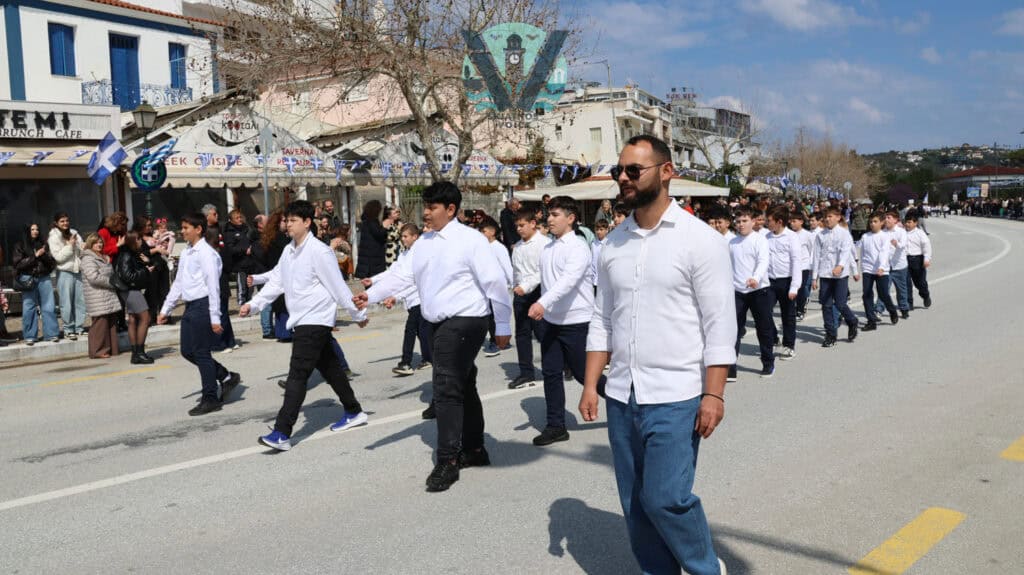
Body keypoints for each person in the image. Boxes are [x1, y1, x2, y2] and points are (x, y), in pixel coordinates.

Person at [580, 135, 735, 575]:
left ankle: (706, 568)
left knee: (666, 498)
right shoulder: (612, 243)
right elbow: (602, 319)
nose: (624, 178)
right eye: (620, 170)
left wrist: (714, 394)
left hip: (677, 394)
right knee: (635, 504)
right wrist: (591, 384)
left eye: (634, 170)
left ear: (666, 172)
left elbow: (720, 324)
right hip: (622, 394)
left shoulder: (700, 240)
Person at [357, 181, 512, 493]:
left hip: (467, 320)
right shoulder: (423, 243)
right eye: (425, 207)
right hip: (439, 323)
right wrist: (370, 296)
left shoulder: (471, 240)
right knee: (463, 383)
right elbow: (401, 275)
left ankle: (448, 460)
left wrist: (502, 325)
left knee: (445, 387)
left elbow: (494, 282)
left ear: (451, 209)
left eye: (432, 207)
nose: (425, 213)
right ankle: (475, 448)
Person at [241, 200, 369, 452]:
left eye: (293, 221)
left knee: (297, 375)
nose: (287, 225)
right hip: (301, 320)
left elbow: (338, 287)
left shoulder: (319, 252)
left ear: (307, 222)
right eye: (286, 220)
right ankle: (354, 411)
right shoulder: (289, 251)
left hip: (315, 320)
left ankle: (282, 432)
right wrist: (253, 305)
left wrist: (357, 314)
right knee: (331, 368)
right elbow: (276, 282)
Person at [528, 195, 605, 446]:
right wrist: (527, 291)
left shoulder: (579, 247)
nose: (549, 219)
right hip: (551, 322)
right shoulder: (548, 248)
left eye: (555, 215)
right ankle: (556, 426)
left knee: (585, 375)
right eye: (548, 215)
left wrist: (542, 303)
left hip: (577, 322)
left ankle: (628, 403)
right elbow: (544, 280)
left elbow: (568, 281)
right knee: (551, 373)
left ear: (571, 218)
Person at [158, 213, 240, 416]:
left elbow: (213, 287)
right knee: (187, 351)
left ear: (198, 229)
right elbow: (178, 282)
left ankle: (210, 398)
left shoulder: (207, 254)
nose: (182, 231)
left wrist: (215, 317)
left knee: (201, 352)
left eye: (186, 227)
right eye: (182, 227)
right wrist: (166, 308)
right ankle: (226, 376)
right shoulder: (187, 252)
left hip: (203, 306)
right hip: (190, 306)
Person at [365, 223, 433, 377]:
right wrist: (373, 280)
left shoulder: (419, 255)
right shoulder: (403, 254)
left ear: (415, 237)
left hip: (419, 298)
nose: (403, 239)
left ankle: (406, 363)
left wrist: (396, 296)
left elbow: (416, 282)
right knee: (421, 331)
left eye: (406, 236)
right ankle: (429, 358)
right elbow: (392, 272)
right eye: (402, 236)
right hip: (410, 299)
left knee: (410, 330)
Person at [729, 207, 775, 379]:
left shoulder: (760, 240)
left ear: (753, 221)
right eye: (738, 221)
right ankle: (731, 367)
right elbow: (728, 266)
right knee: (733, 330)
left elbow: (763, 261)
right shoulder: (732, 242)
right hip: (738, 292)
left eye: (744, 221)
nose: (741, 224)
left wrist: (755, 278)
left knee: (763, 328)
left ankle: (768, 363)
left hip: (759, 290)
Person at [508, 207, 549, 389]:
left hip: (538, 292)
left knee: (543, 332)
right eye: (517, 226)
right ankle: (526, 372)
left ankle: (558, 365)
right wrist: (516, 286)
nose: (519, 229)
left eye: (522, 225)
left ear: (533, 224)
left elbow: (543, 271)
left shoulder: (545, 244)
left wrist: (525, 287)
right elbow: (516, 271)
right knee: (522, 334)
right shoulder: (517, 247)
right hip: (520, 294)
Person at [812, 207, 859, 347]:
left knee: (840, 303)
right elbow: (816, 257)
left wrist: (841, 265)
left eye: (830, 216)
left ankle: (852, 321)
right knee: (825, 305)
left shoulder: (844, 234)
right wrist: (814, 277)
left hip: (840, 275)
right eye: (826, 217)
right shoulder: (820, 235)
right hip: (825, 274)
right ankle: (831, 334)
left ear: (838, 217)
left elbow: (846, 252)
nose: (827, 219)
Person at [13, 223, 59, 345]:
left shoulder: (44, 244)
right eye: (32, 229)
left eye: (37, 229)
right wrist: (35, 256)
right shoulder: (20, 245)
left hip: (44, 277)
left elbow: (52, 263)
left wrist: (43, 256)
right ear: (27, 231)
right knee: (29, 307)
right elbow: (18, 264)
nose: (35, 231)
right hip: (28, 278)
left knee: (49, 306)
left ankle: (51, 334)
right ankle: (30, 336)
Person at [765, 207, 801, 362]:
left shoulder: (791, 237)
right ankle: (774, 339)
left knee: (788, 316)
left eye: (769, 221)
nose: (767, 223)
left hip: (786, 281)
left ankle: (789, 345)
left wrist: (794, 286)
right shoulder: (766, 237)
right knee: (764, 312)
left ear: (779, 222)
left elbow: (796, 262)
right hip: (769, 281)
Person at [114, 231, 155, 364]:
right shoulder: (127, 254)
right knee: (145, 318)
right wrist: (145, 271)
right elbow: (128, 276)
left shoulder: (130, 253)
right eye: (138, 239)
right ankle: (140, 353)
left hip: (129, 290)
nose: (140, 241)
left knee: (133, 319)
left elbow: (133, 271)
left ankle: (136, 354)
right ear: (133, 240)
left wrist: (147, 263)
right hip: (131, 290)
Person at [80, 233, 122, 358]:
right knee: (100, 324)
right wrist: (112, 283)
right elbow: (93, 277)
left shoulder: (104, 257)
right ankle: (97, 351)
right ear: (90, 244)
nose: (99, 244)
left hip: (108, 294)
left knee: (111, 323)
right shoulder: (88, 258)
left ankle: (112, 348)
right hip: (97, 295)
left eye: (100, 242)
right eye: (96, 243)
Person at [48, 212, 86, 340]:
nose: (65, 223)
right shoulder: (53, 236)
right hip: (64, 272)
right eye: (62, 221)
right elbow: (58, 257)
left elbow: (81, 251)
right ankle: (68, 329)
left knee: (80, 301)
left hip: (78, 270)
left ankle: (79, 327)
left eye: (67, 220)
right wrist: (70, 246)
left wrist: (82, 247)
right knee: (66, 302)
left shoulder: (74, 232)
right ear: (56, 223)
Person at [858, 213, 898, 331]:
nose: (872, 224)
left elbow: (884, 252)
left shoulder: (884, 236)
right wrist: (861, 267)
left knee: (883, 294)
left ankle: (892, 310)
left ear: (882, 223)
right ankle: (871, 321)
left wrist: (881, 267)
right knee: (866, 294)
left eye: (875, 221)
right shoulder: (865, 236)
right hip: (868, 269)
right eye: (871, 222)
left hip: (881, 270)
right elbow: (861, 252)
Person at [480, 217, 513, 357]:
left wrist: (512, 283)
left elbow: (507, 266)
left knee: (497, 316)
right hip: (487, 287)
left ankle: (496, 342)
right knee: (490, 315)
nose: (481, 234)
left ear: (492, 232)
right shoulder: (483, 248)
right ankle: (500, 340)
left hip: (499, 288)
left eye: (483, 231)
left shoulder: (499, 248)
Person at [135, 216, 172, 325]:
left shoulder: (155, 235)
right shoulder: (137, 238)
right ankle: (151, 317)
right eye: (147, 225)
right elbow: (140, 253)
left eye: (150, 225)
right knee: (152, 293)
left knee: (164, 291)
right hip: (150, 268)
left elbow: (165, 249)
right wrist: (156, 249)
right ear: (140, 226)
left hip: (162, 266)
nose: (149, 227)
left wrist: (164, 245)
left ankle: (165, 316)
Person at [788, 211, 815, 321]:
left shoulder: (808, 235)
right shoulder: (789, 234)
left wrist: (811, 266)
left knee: (801, 288)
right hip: (791, 266)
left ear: (801, 222)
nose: (792, 223)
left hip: (804, 266)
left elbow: (812, 250)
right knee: (791, 288)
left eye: (794, 221)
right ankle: (792, 309)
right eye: (791, 221)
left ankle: (800, 309)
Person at [223, 209, 253, 306]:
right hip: (239, 264)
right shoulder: (229, 232)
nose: (240, 219)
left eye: (240, 217)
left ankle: (249, 305)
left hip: (250, 263)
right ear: (231, 220)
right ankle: (242, 305)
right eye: (237, 218)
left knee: (250, 287)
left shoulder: (246, 229)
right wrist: (244, 250)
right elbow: (231, 249)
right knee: (242, 288)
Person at [904, 213, 932, 310]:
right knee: (906, 283)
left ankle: (925, 295)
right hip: (905, 260)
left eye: (909, 222)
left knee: (920, 283)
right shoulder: (902, 233)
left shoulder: (920, 233)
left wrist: (926, 259)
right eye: (906, 222)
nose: (907, 224)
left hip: (917, 260)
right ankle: (909, 303)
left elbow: (926, 246)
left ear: (915, 223)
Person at [355, 199, 388, 278]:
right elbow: (379, 235)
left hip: (367, 259)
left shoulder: (366, 221)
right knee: (374, 282)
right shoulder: (372, 222)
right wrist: (384, 227)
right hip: (372, 261)